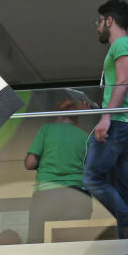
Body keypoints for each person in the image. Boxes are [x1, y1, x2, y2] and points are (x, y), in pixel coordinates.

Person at [83, 0, 128, 239]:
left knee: (92, 177)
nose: (98, 27)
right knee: (120, 188)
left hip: (119, 123)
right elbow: (124, 88)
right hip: (126, 123)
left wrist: (106, 116)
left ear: (109, 20)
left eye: (99, 21)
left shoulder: (121, 44)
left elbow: (123, 81)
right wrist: (99, 109)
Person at [24, 99, 93, 243]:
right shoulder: (86, 137)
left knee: (37, 242)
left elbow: (30, 163)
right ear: (76, 118)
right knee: (74, 243)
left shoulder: (47, 130)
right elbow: (92, 169)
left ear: (58, 115)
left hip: (48, 194)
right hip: (79, 195)